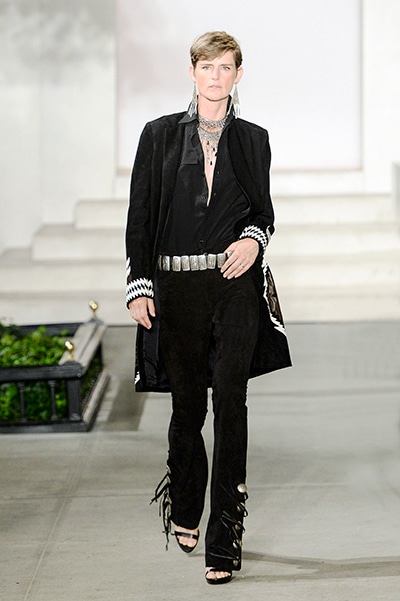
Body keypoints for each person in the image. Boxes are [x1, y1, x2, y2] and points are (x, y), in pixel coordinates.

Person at [125, 31, 291, 585]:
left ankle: (224, 538)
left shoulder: (254, 140)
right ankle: (187, 499)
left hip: (234, 285)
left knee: (232, 405)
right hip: (177, 290)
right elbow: (141, 216)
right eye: (206, 66)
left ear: (238, 74)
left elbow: (263, 213)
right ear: (192, 72)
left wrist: (253, 240)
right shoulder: (158, 136)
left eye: (225, 67)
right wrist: (139, 284)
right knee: (188, 409)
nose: (215, 76)